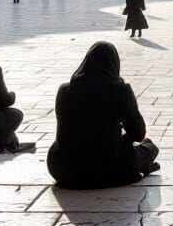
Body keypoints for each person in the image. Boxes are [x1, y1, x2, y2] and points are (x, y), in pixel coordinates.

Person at [46, 41, 158, 188]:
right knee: (150, 148)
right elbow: (138, 133)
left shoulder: (64, 90)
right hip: (108, 168)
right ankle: (138, 168)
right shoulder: (119, 91)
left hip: (63, 169)